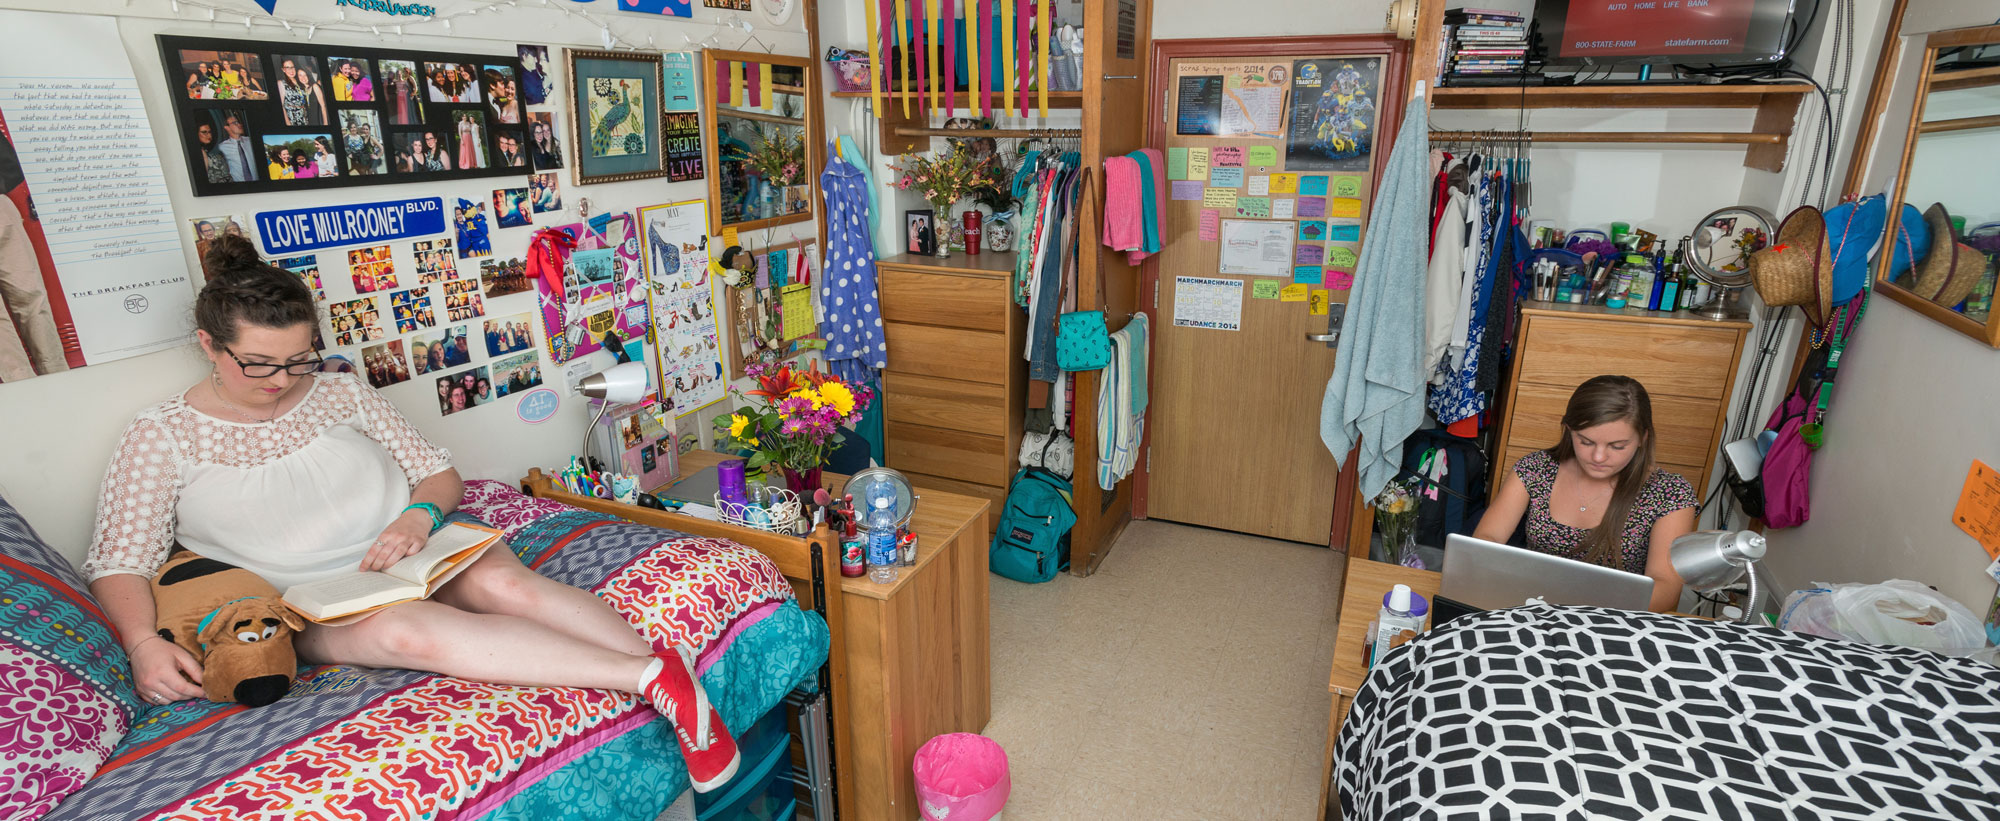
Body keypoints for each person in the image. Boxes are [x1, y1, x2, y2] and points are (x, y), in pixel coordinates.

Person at [85, 234, 742, 787]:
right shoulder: (161, 434)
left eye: (297, 358)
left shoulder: (339, 390)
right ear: (208, 344)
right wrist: (142, 641)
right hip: (315, 598)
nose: (283, 380)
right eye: (258, 364)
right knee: (410, 632)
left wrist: (418, 517)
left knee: (505, 582)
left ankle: (670, 689)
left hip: (412, 547)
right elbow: (121, 559)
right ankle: (648, 672)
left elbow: (436, 471)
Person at [1472, 375, 1696, 612]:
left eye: (1617, 446)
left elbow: (1665, 592)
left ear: (1643, 438)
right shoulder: (1535, 469)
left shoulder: (1670, 494)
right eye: (1586, 442)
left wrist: (1572, 604)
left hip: (1614, 623)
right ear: (1569, 431)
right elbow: (1485, 542)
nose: (1598, 457)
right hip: (1532, 609)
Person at [277, 57, 327, 127]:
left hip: (305, 118)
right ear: (283, 70)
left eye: (292, 67)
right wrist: (288, 123)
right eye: (287, 68)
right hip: (292, 118)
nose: (291, 70)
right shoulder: (281, 83)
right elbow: (281, 106)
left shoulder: (299, 82)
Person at [217, 113, 257, 183]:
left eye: (239, 122)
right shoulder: (222, 147)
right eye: (235, 123)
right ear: (227, 127)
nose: (239, 124)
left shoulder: (251, 141)